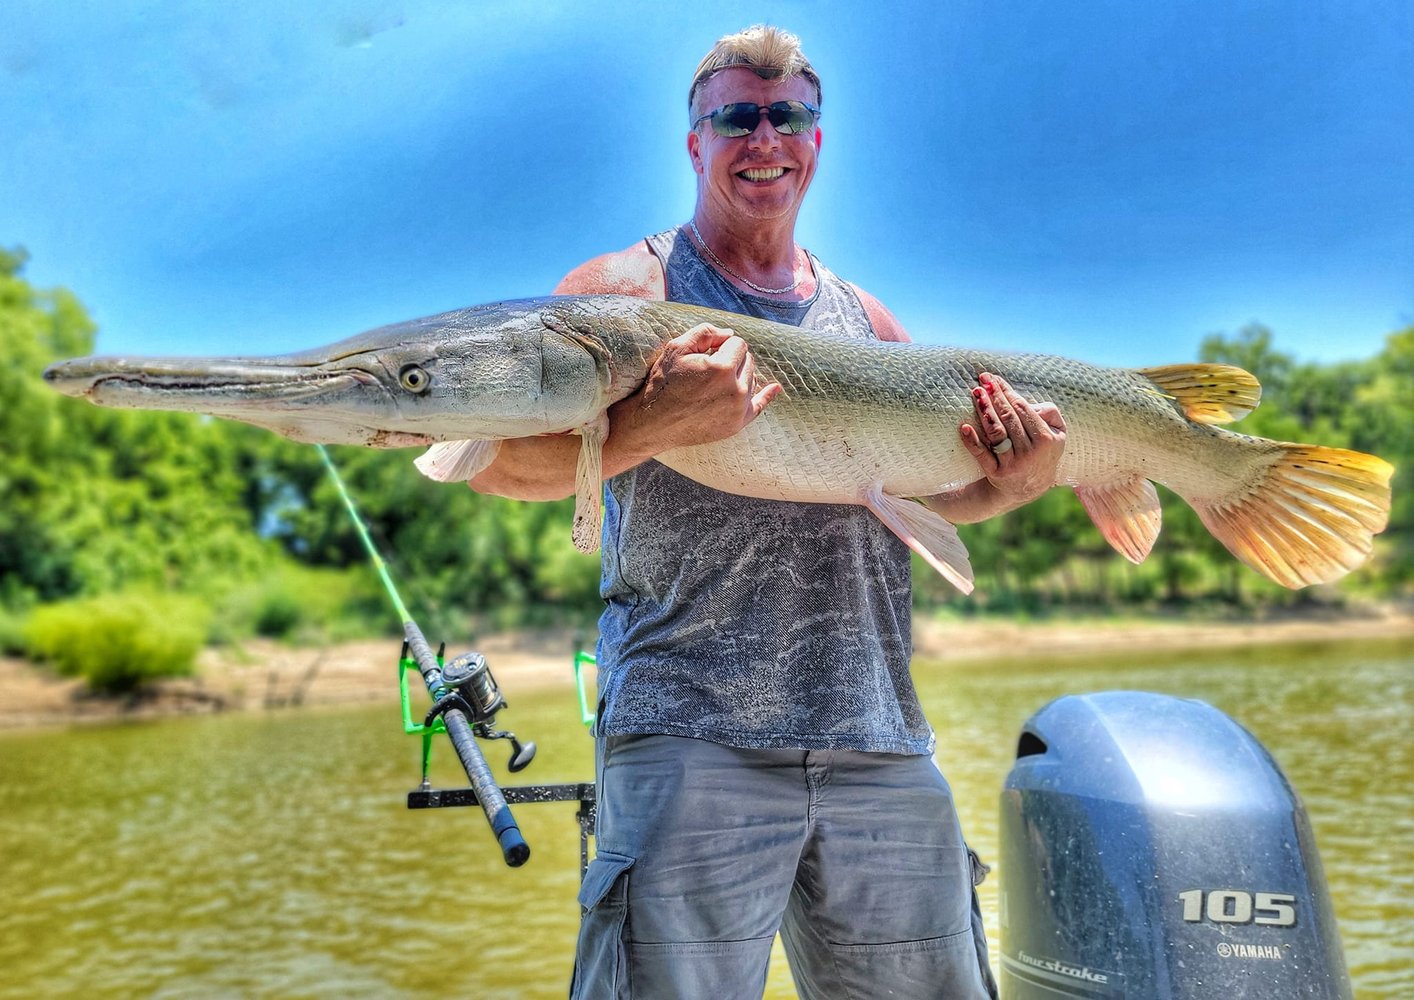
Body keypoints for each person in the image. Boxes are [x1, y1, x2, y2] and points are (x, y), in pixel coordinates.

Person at [469, 25, 1066, 1000]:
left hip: (878, 735)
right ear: (694, 142)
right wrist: (648, 425)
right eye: (736, 116)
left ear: (816, 141)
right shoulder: (628, 291)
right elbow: (502, 465)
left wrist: (1011, 483)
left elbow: (914, 501)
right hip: (690, 733)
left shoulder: (868, 324)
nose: (764, 138)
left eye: (788, 116)